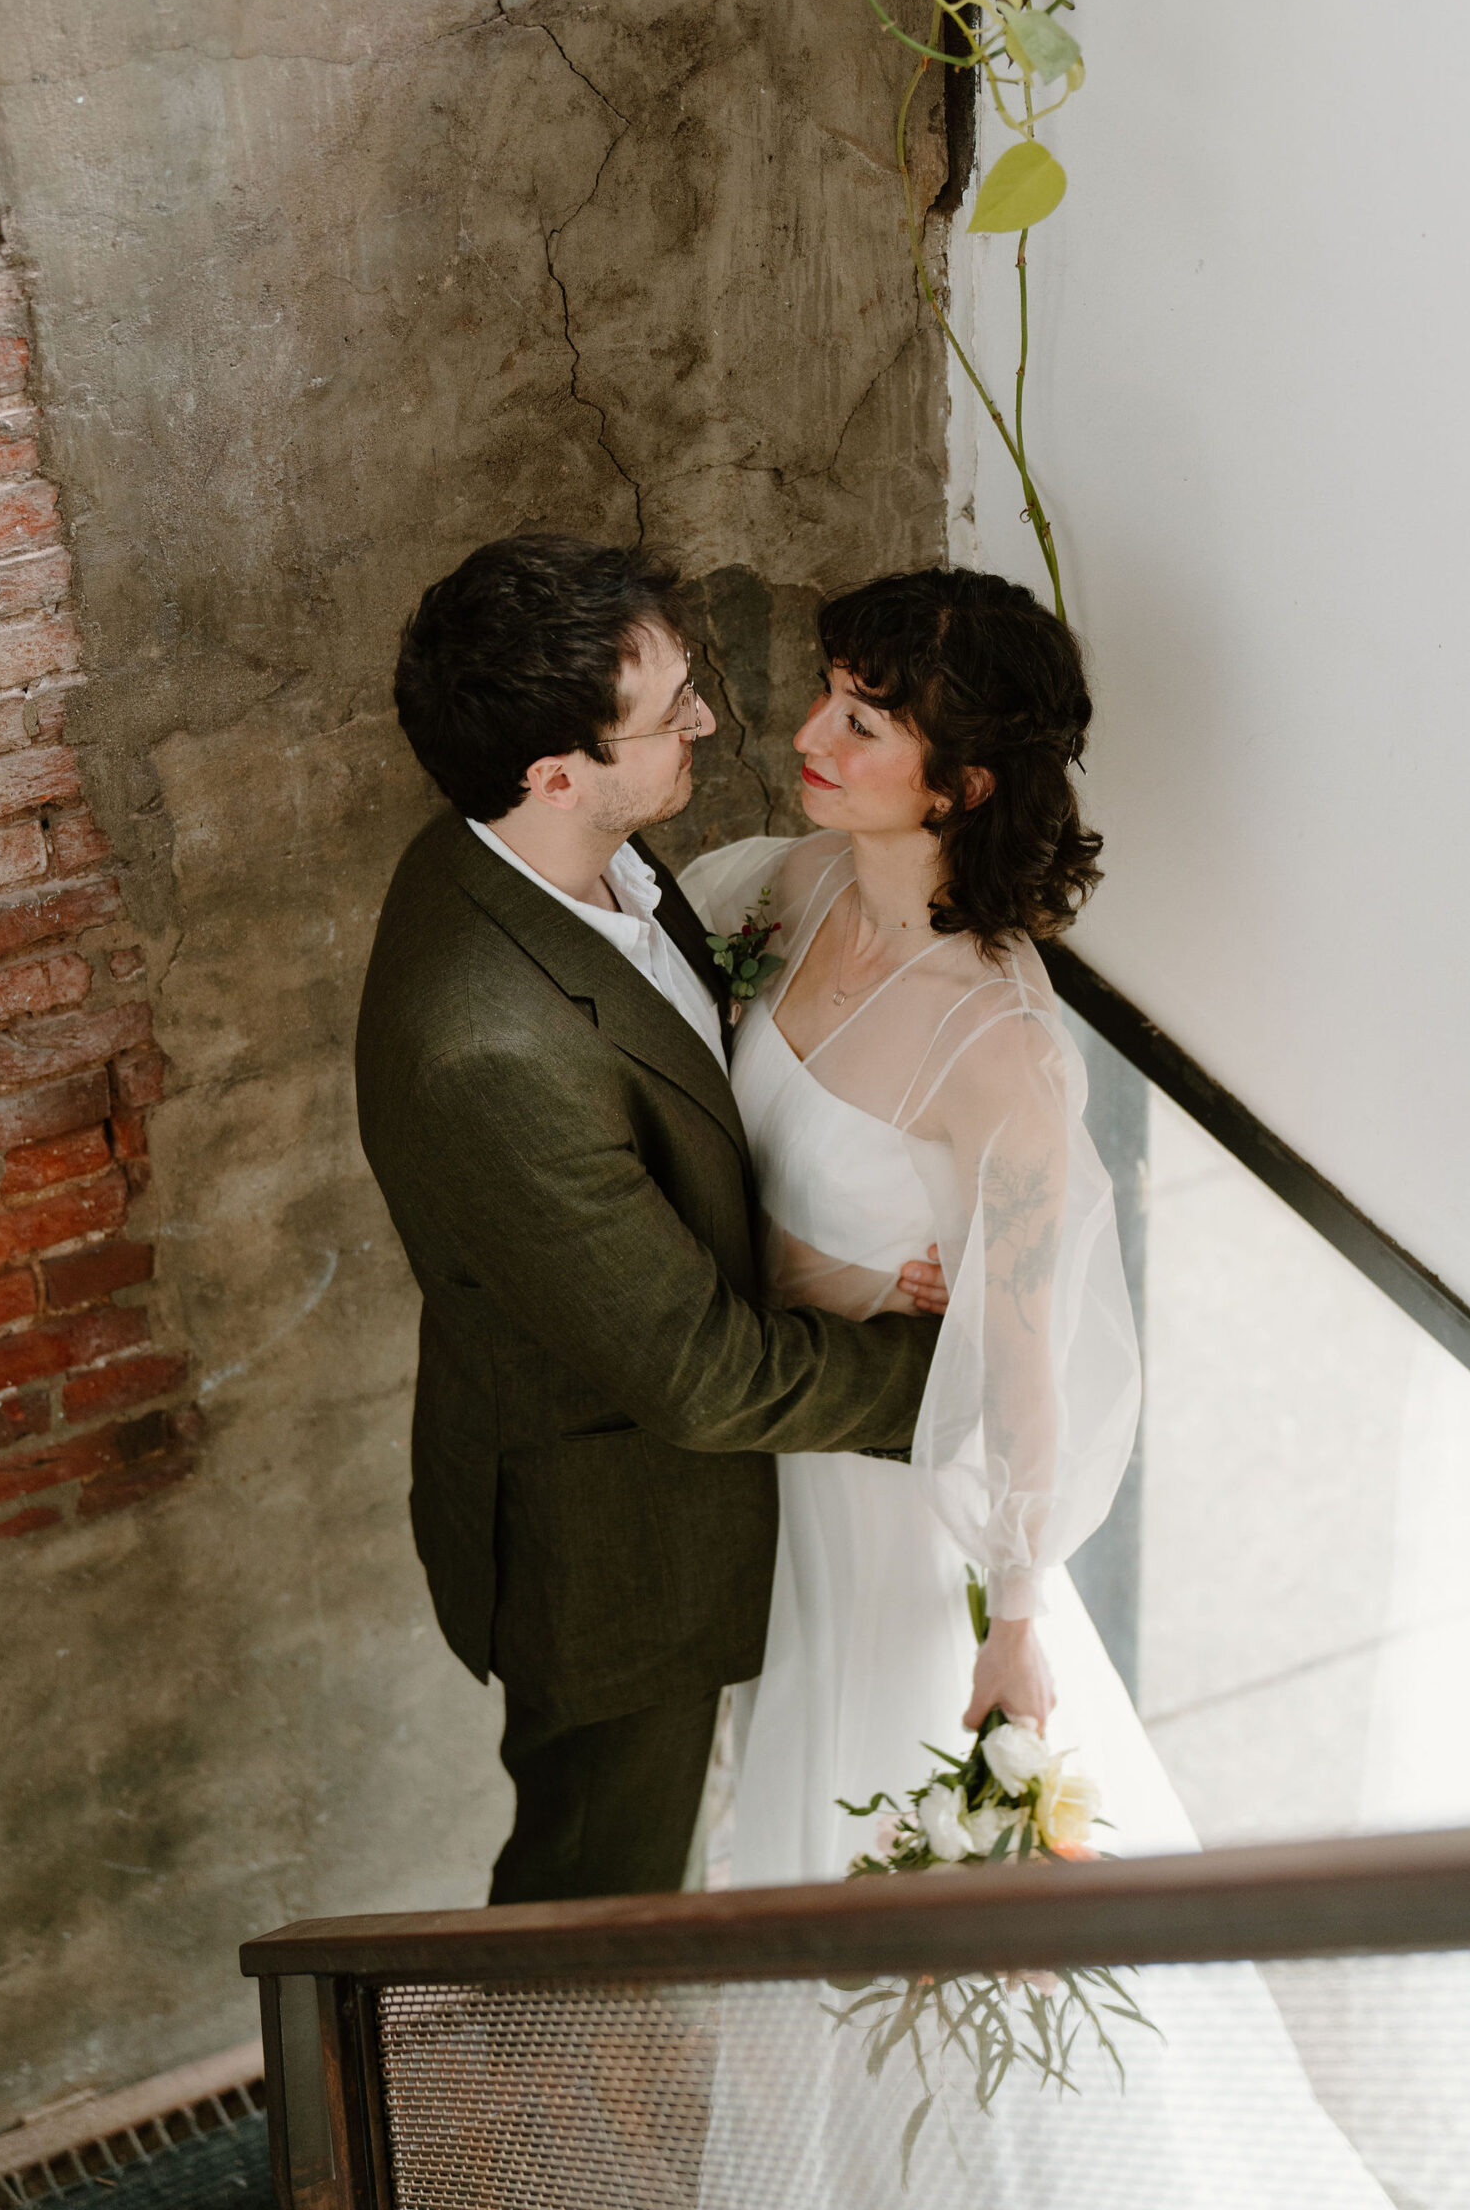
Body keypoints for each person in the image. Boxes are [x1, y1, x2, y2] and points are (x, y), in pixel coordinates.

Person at [685, 566, 1396, 2206]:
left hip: (890, 1517)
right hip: (782, 1454)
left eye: (865, 721)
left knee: (873, 1858)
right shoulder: (775, 892)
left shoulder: (999, 1043)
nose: (809, 734)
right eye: (829, 695)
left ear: (964, 783)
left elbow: (1023, 1360)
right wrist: (841, 1278)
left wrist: (1013, 1616)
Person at [354, 534, 946, 1906]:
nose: (708, 722)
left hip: (679, 1476)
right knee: (594, 1894)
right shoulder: (485, 1046)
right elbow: (697, 1373)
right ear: (557, 771)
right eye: (669, 710)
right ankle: (555, 2103)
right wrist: (948, 1378)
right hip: (608, 1551)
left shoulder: (539, 852)